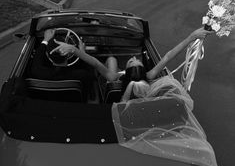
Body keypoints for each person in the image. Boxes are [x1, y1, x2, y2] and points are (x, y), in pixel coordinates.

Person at [53, 27, 212, 101]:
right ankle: (111, 58)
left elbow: (94, 62)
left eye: (131, 60)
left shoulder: (113, 76)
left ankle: (110, 57)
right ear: (144, 71)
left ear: (126, 71)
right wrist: (191, 37)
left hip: (109, 78)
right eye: (137, 60)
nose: (134, 57)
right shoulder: (149, 76)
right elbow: (168, 56)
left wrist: (75, 49)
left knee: (111, 60)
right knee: (113, 60)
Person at [29, 29, 94, 99]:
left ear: (48, 56)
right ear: (69, 54)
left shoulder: (37, 72)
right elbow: (91, 72)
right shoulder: (82, 75)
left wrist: (46, 39)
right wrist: (82, 53)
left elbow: (37, 59)